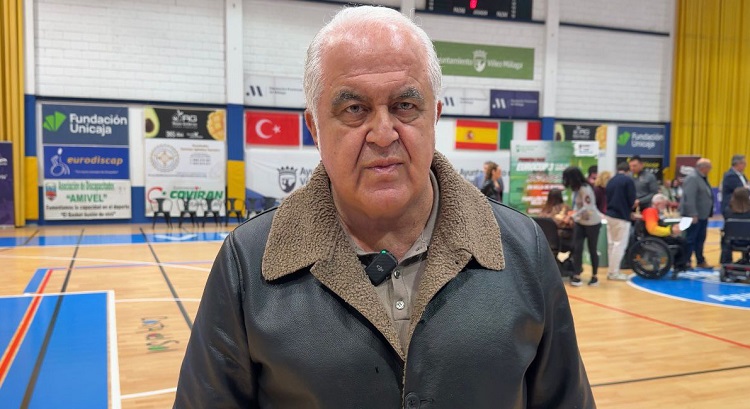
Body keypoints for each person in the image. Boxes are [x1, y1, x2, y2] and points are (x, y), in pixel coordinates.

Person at [173, 6, 594, 408]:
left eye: (404, 106)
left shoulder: (523, 247)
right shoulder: (247, 263)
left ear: (434, 116)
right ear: (314, 128)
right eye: (354, 109)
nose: (383, 133)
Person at [563, 166, 602, 287]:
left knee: (592, 249)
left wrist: (573, 216)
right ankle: (577, 275)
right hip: (580, 222)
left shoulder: (585, 189)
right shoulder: (576, 189)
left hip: (592, 223)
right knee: (577, 248)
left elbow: (588, 207)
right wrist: (573, 214)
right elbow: (577, 205)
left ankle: (594, 276)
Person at [680, 158, 714, 269]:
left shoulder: (702, 178)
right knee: (690, 239)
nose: (710, 169)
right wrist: (692, 214)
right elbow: (689, 198)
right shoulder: (693, 178)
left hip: (702, 215)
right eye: (709, 167)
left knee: (700, 239)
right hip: (693, 216)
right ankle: (686, 261)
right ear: (703, 167)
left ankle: (700, 260)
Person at [604, 162, 636, 281]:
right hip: (621, 216)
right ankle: (614, 272)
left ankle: (611, 270)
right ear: (628, 170)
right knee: (619, 245)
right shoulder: (628, 181)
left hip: (610, 215)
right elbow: (631, 200)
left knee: (612, 244)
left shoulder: (611, 180)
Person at [642, 194, 690, 272]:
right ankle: (680, 265)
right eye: (664, 205)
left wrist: (671, 229)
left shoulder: (654, 212)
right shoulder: (650, 211)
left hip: (657, 237)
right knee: (682, 242)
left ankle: (681, 264)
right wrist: (670, 230)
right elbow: (652, 229)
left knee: (681, 241)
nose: (664, 207)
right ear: (657, 204)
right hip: (654, 239)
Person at [720, 187, 750, 263]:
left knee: (725, 237)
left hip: (732, 241)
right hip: (748, 241)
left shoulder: (728, 211)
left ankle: (726, 261)